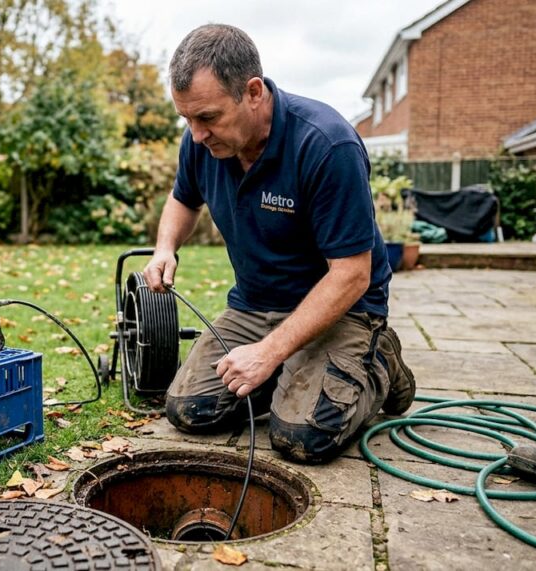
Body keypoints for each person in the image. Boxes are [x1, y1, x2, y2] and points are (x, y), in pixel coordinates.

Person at [143, 24, 416, 464]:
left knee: (301, 436)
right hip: (253, 306)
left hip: (341, 311)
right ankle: (290, 370)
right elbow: (183, 198)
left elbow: (352, 274)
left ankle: (381, 361)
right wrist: (165, 248)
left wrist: (269, 353)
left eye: (208, 117)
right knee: (190, 410)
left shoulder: (327, 144)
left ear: (253, 92)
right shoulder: (201, 141)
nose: (196, 134)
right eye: (187, 119)